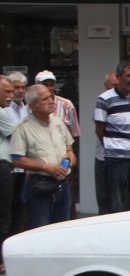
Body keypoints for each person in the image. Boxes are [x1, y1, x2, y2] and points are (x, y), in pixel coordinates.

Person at [9, 84, 76, 229]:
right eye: (45, 99)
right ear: (33, 106)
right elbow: (16, 159)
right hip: (40, 185)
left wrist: (71, 155)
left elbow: (69, 147)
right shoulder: (23, 127)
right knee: (41, 229)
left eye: (51, 97)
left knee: (62, 228)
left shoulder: (58, 122)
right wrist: (46, 167)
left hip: (63, 184)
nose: (51, 101)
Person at [95, 61, 130, 213]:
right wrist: (114, 147)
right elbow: (99, 130)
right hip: (116, 159)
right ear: (118, 77)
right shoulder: (104, 99)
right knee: (116, 204)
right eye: (128, 76)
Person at [35, 70, 81, 219]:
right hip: (41, 165)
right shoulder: (31, 106)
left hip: (64, 160)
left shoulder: (66, 105)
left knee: (66, 203)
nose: (49, 87)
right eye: (44, 84)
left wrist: (71, 160)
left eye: (51, 84)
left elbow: (74, 134)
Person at [5, 72, 28, 234]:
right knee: (7, 207)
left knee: (21, 206)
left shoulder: (26, 108)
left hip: (25, 167)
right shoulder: (4, 109)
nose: (20, 91)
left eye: (23, 87)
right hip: (9, 166)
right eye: (16, 87)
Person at [0, 76, 18, 274]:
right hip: (2, 167)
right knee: (4, 216)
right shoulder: (2, 113)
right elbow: (18, 134)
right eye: (7, 92)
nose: (11, 96)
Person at [94, 71, 117, 214]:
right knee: (104, 198)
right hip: (103, 158)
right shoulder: (102, 102)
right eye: (112, 85)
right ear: (105, 86)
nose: (115, 89)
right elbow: (99, 131)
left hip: (122, 160)